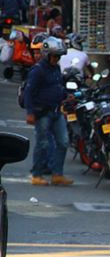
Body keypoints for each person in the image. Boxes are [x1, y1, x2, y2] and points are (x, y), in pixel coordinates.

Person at [25, 37, 74, 187]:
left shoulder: (56, 69)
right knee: (43, 143)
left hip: (56, 111)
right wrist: (30, 112)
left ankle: (57, 174)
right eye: (54, 56)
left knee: (63, 142)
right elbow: (29, 92)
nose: (56, 59)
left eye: (58, 56)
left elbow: (57, 87)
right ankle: (37, 174)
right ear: (47, 55)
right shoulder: (37, 70)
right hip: (42, 113)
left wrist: (66, 96)